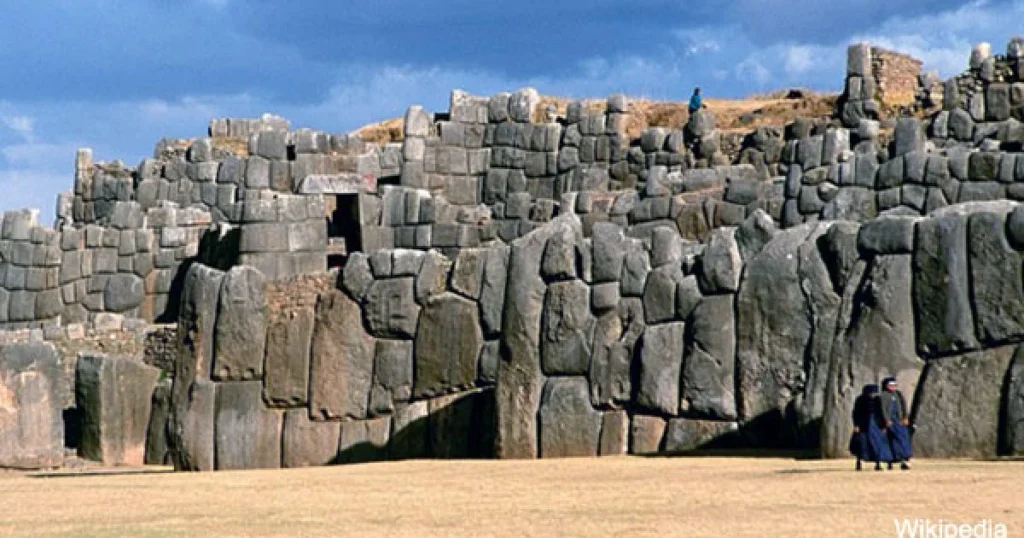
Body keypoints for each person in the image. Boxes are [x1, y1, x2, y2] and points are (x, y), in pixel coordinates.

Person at [850, 384, 892, 471]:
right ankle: (859, 462)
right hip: (864, 425)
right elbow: (856, 413)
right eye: (871, 393)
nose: (873, 395)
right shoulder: (860, 400)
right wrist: (856, 425)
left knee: (878, 445)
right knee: (862, 444)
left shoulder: (877, 400)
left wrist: (883, 425)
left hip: (876, 425)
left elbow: (881, 413)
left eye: (874, 393)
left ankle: (878, 463)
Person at [880, 377, 913, 470]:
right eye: (891, 385)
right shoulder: (884, 395)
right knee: (891, 440)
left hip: (899, 420)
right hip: (890, 421)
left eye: (895, 385)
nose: (893, 387)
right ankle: (890, 461)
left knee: (903, 439)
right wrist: (886, 420)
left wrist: (905, 417)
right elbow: (883, 409)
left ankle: (905, 459)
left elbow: (904, 406)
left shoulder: (898, 394)